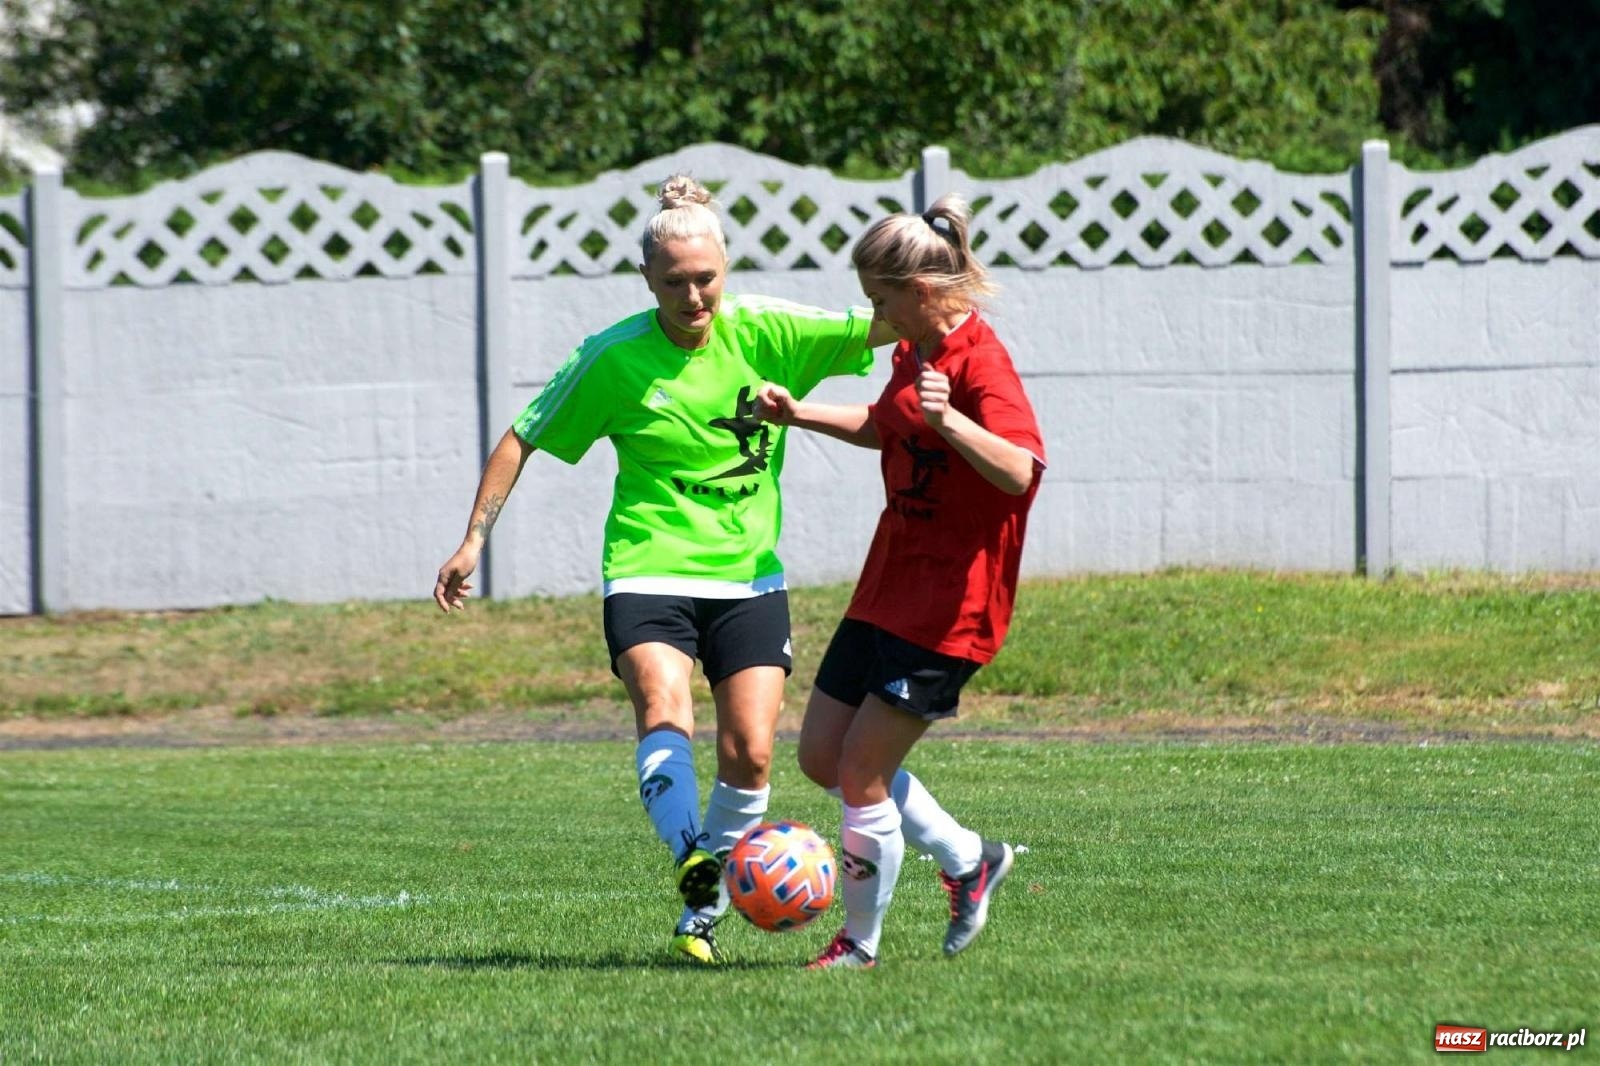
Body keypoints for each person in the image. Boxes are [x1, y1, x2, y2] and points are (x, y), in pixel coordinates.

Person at [433, 176, 896, 965]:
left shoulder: (771, 329)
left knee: (750, 752)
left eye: (706, 278)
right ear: (647, 279)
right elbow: (523, 437)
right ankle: (692, 854)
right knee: (663, 702)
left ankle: (701, 908)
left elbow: (890, 322)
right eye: (675, 281)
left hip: (748, 575)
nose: (693, 296)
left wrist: (942, 260)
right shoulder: (612, 358)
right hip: (647, 566)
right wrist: (474, 538)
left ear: (726, 269)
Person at [755, 194, 1045, 968]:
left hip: (952, 606)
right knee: (823, 756)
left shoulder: (980, 362)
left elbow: (1021, 470)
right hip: (888, 586)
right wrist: (797, 414)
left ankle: (859, 946)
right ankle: (968, 859)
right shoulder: (912, 352)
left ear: (918, 293)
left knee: (860, 772)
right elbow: (888, 425)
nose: (872, 313)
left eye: (879, 299)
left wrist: (955, 424)